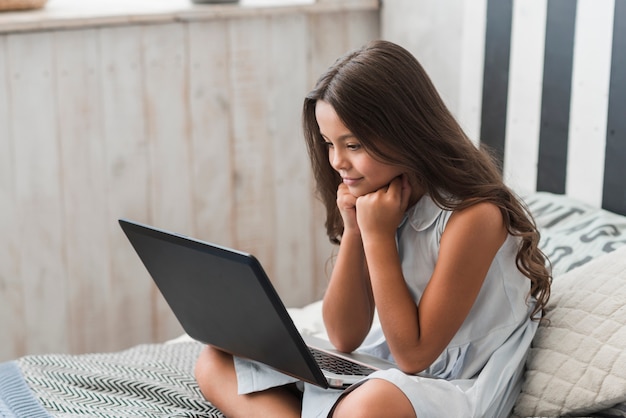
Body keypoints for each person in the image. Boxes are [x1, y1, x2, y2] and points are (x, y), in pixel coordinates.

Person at [194, 39, 551, 418]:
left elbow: (415, 355)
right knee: (216, 360)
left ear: (407, 131)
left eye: (353, 144)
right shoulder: (377, 199)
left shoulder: (475, 216)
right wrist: (355, 232)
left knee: (367, 406)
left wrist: (378, 236)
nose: (337, 162)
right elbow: (344, 336)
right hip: (389, 367)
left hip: (455, 381)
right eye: (329, 143)